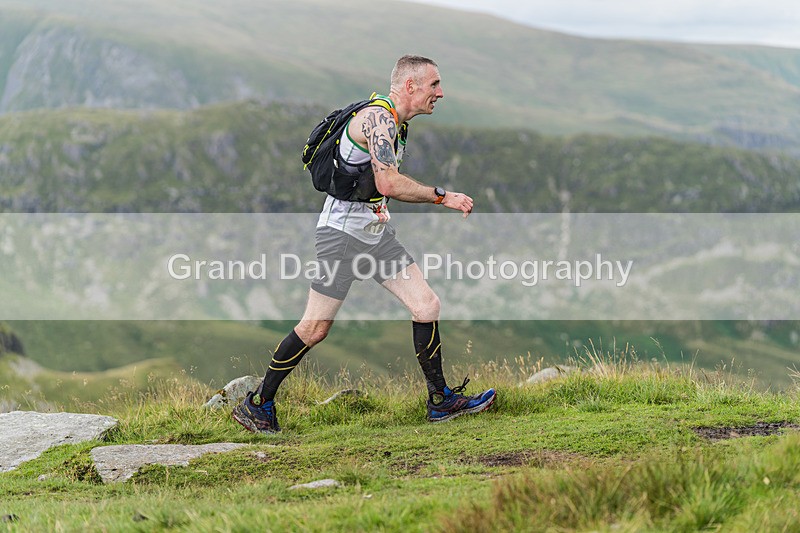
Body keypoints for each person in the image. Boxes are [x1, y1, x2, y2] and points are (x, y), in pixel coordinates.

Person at [232, 55, 496, 434]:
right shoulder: (378, 119)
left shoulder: (397, 124)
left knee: (426, 305)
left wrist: (379, 208)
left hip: (374, 236)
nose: (441, 92)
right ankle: (258, 403)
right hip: (341, 236)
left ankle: (440, 400)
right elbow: (388, 181)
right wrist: (443, 196)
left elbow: (375, 186)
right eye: (434, 84)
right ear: (410, 86)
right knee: (315, 327)